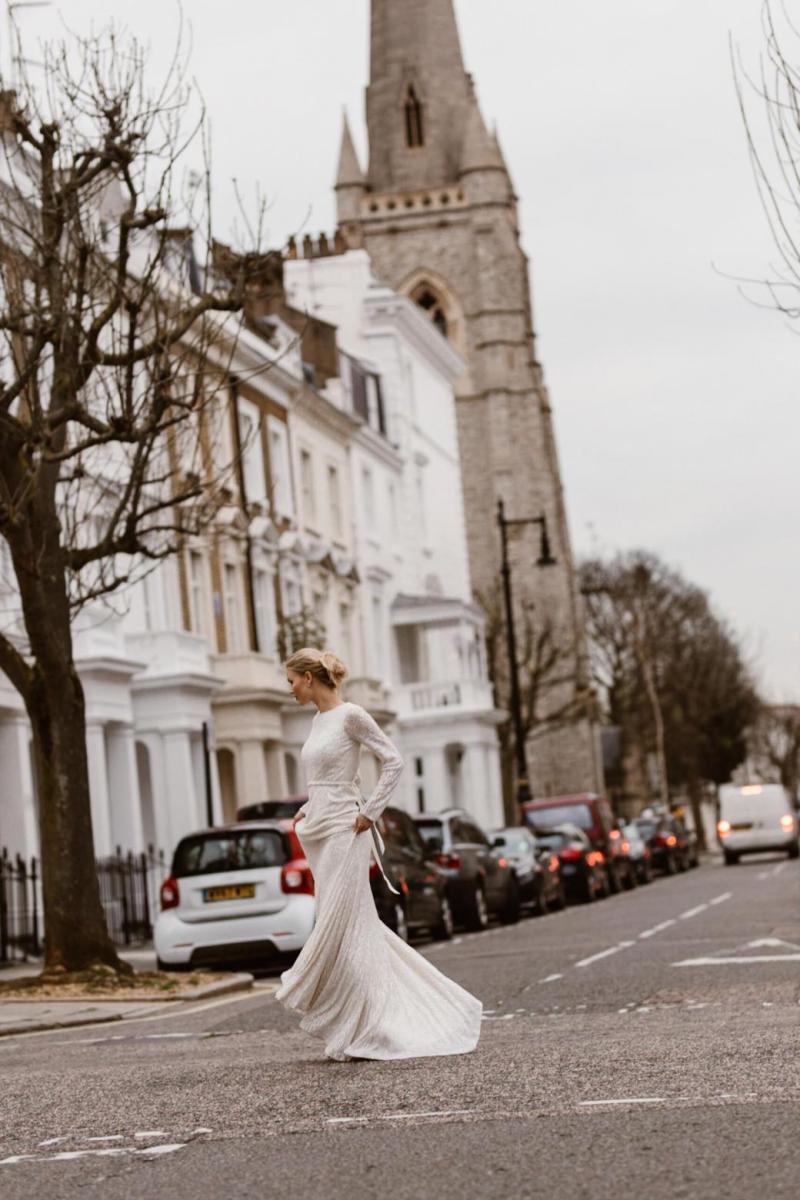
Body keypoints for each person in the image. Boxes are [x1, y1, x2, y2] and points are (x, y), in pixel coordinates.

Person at [275, 647, 482, 1061]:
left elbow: (393, 761)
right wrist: (309, 806)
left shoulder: (352, 714)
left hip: (346, 831)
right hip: (320, 828)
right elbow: (329, 778)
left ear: (309, 678)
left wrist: (369, 813)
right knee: (355, 929)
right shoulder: (317, 721)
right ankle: (358, 1025)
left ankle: (367, 1023)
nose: (290, 688)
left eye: (291, 680)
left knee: (339, 923)